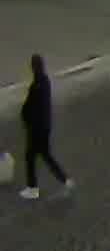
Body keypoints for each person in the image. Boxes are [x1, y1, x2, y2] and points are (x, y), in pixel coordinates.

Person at [20, 55, 66, 197]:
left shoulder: (36, 86)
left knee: (30, 157)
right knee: (45, 155)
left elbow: (29, 106)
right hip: (45, 126)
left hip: (36, 128)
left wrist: (25, 119)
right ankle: (64, 179)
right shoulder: (45, 81)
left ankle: (32, 188)